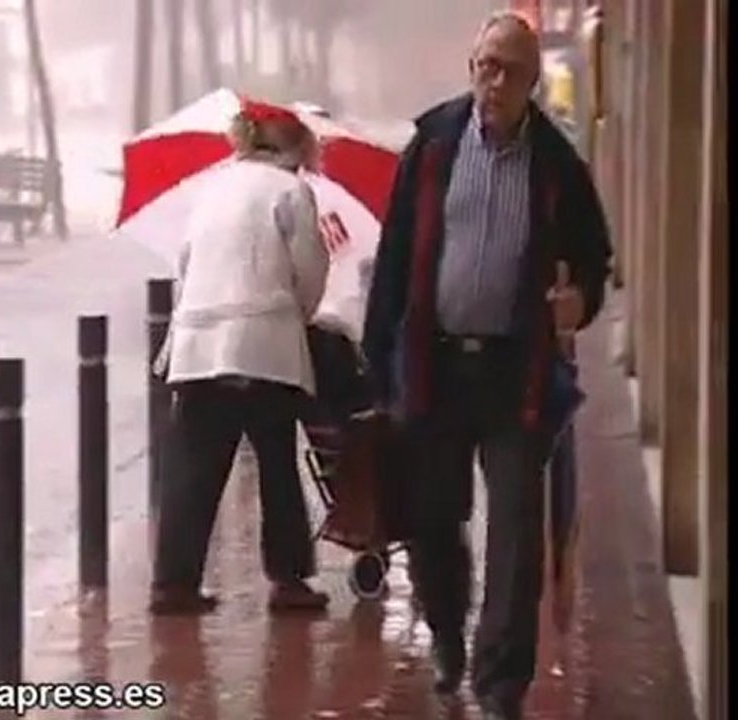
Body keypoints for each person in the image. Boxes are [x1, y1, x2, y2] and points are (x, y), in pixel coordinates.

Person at [362, 12, 611, 720]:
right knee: (435, 520)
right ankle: (446, 633)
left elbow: (595, 260)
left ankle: (501, 684)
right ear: (470, 65)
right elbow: (396, 253)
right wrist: (380, 363)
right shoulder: (434, 144)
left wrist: (579, 301)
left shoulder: (557, 164)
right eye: (484, 66)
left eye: (508, 70)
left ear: (533, 81)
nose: (492, 82)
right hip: (436, 368)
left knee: (514, 537)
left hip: (515, 376)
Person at [150, 99, 331, 615]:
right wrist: (297, 314)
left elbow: (185, 267)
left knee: (193, 469)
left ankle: (173, 583)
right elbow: (309, 272)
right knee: (277, 463)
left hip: (199, 346)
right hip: (265, 347)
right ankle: (289, 579)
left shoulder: (212, 188)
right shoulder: (292, 191)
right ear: (294, 144)